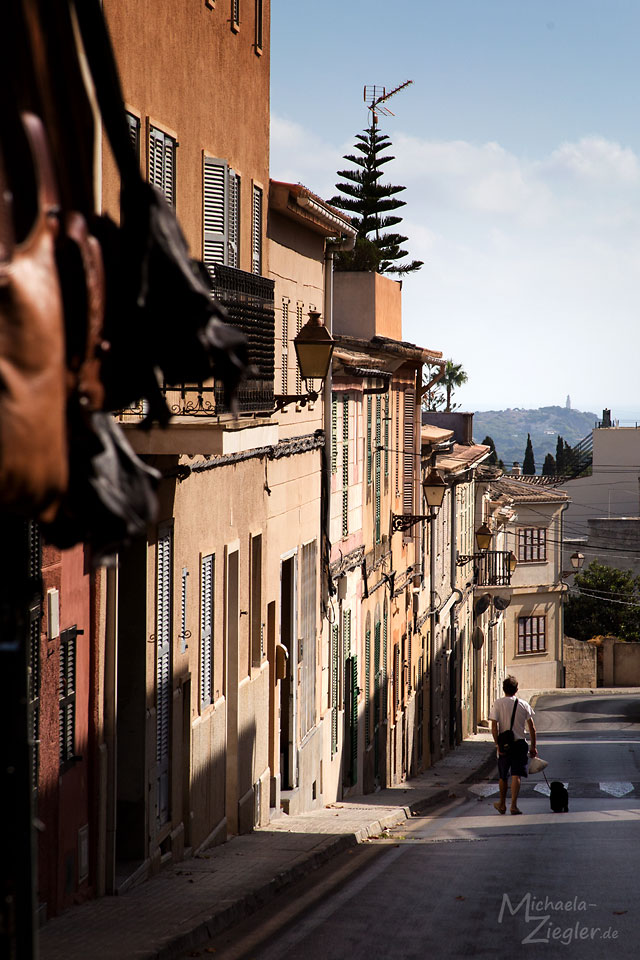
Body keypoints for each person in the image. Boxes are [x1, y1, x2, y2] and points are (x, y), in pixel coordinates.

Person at [489, 675, 537, 815]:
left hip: (505, 745)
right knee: (516, 775)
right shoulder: (523, 704)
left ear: (503, 689)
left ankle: (502, 804)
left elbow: (493, 726)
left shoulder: (497, 703)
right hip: (520, 744)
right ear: (516, 689)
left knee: (503, 775)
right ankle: (514, 806)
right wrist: (533, 747)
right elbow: (532, 728)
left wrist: (497, 744)